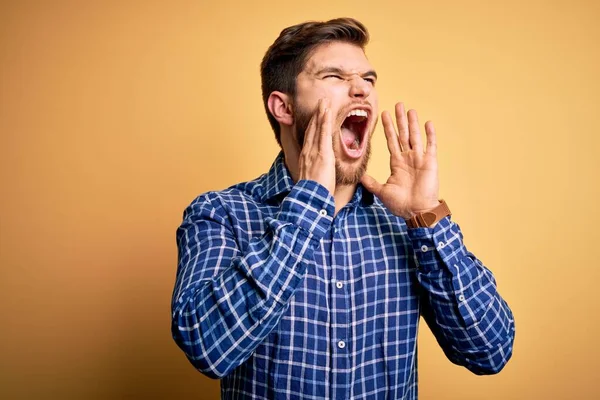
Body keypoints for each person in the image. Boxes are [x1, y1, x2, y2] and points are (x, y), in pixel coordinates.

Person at [171, 17, 515, 400]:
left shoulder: (407, 226)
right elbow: (206, 347)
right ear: (283, 107)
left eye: (368, 79)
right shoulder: (222, 214)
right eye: (334, 77)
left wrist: (428, 216)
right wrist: (307, 203)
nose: (360, 91)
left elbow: (490, 351)